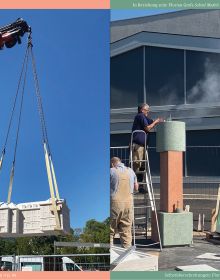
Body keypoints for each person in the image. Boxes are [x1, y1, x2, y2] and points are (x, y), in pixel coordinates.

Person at [131, 103, 163, 193]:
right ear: (142, 110)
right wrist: (156, 122)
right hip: (138, 146)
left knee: (142, 167)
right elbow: (148, 128)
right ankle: (135, 187)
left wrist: (158, 121)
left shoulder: (144, 117)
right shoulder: (140, 116)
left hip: (143, 146)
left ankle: (140, 186)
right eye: (147, 110)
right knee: (137, 165)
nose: (148, 111)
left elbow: (151, 121)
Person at [110, 157, 138, 249]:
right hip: (129, 203)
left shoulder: (111, 171)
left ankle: (110, 255)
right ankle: (127, 255)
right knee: (126, 231)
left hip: (115, 203)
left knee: (110, 230)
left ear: (112, 164)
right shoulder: (131, 171)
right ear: (120, 162)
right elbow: (136, 187)